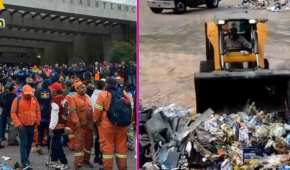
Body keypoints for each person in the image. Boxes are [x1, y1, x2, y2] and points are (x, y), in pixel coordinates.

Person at [93, 78, 131, 170]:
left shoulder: (103, 95)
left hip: (107, 126)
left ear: (106, 85)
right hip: (122, 125)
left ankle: (108, 168)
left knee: (107, 149)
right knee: (121, 149)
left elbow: (97, 112)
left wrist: (96, 122)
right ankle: (123, 167)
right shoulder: (124, 94)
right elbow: (130, 109)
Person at [10, 84, 41, 170]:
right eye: (27, 93)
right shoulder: (17, 99)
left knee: (29, 144)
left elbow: (38, 110)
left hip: (32, 125)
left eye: (29, 93)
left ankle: (26, 159)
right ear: (23, 93)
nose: (28, 95)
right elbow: (12, 113)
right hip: (22, 126)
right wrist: (19, 124)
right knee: (24, 144)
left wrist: (37, 121)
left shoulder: (34, 99)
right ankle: (25, 162)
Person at [67, 82, 94, 170]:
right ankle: (78, 163)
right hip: (80, 125)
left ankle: (86, 160)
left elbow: (92, 109)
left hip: (89, 125)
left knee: (88, 144)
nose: (84, 89)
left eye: (84, 87)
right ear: (77, 89)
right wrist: (77, 122)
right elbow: (73, 111)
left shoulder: (87, 97)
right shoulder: (73, 98)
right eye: (81, 87)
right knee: (79, 145)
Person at [47, 82, 69, 170]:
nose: (51, 91)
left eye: (52, 90)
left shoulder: (55, 101)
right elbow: (67, 112)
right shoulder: (64, 99)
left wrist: (51, 128)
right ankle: (54, 160)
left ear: (55, 91)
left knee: (56, 145)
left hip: (56, 126)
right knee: (56, 143)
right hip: (62, 124)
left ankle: (64, 162)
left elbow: (54, 116)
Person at [90, 80, 106, 168]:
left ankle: (96, 156)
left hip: (94, 120)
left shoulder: (93, 95)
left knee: (97, 138)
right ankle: (101, 158)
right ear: (104, 86)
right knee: (103, 140)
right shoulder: (103, 95)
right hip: (102, 121)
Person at [35, 79, 52, 153]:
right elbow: (46, 101)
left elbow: (37, 101)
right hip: (46, 114)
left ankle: (39, 143)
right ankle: (48, 145)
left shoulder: (38, 90)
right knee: (47, 131)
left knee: (40, 131)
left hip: (41, 114)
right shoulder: (46, 91)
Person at [0, 82, 17, 148]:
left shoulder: (4, 95)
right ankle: (11, 141)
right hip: (11, 114)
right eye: (15, 89)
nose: (16, 90)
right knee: (12, 127)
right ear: (12, 89)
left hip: (5, 113)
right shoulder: (13, 96)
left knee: (4, 126)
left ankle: (2, 138)